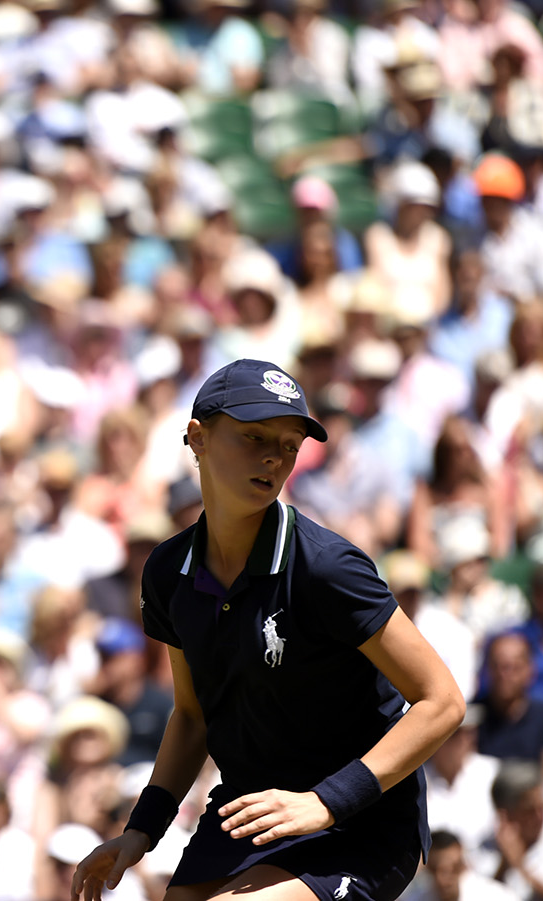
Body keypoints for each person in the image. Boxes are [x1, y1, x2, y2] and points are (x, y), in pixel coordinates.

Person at [71, 359, 465, 901]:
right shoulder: (166, 572)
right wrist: (142, 831)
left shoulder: (328, 568)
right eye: (254, 436)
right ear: (196, 438)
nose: (274, 458)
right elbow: (191, 716)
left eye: (288, 444)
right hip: (252, 813)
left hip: (362, 823)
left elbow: (441, 701)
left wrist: (325, 802)